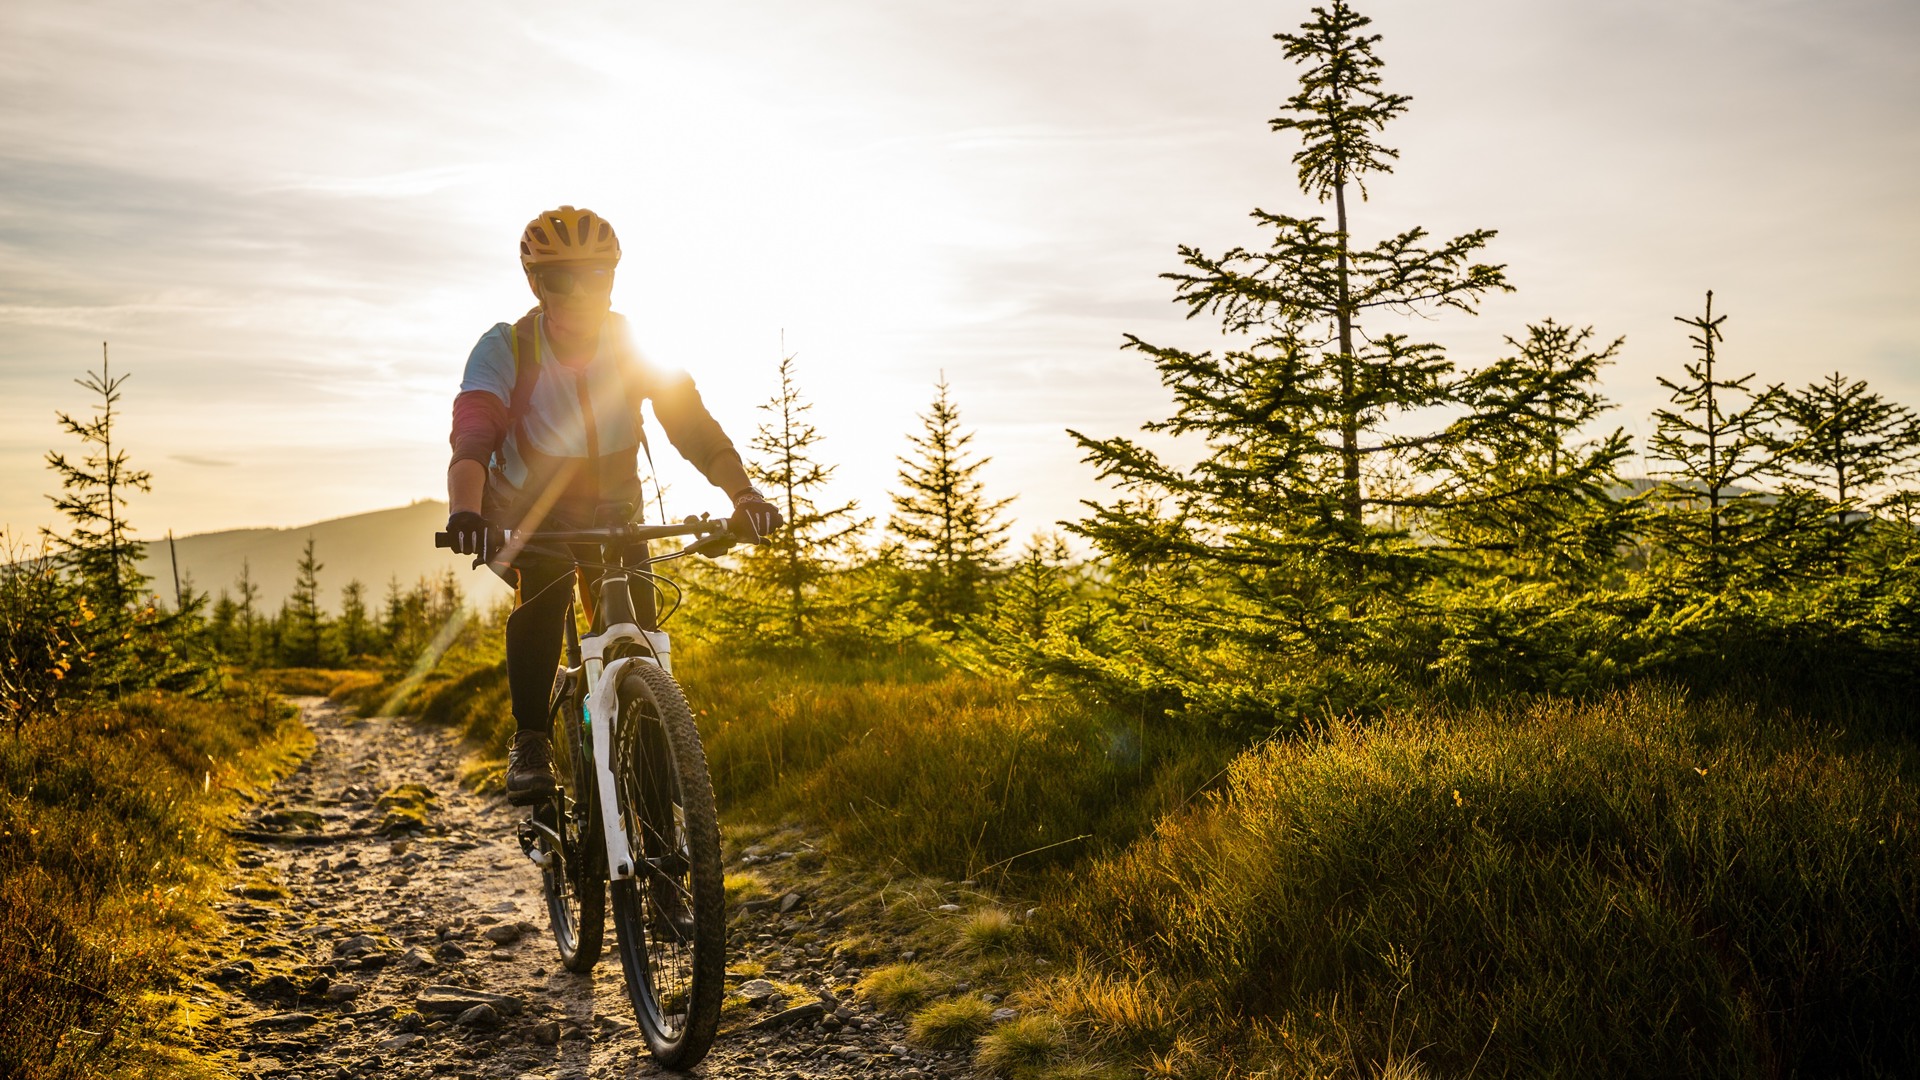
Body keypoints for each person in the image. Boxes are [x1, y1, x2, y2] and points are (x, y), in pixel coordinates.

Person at [443, 205, 781, 803]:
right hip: (531, 507)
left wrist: (743, 493)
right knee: (544, 588)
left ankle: (656, 800)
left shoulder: (634, 344)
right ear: (535, 285)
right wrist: (465, 513)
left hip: (614, 506)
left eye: (596, 276)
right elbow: (474, 433)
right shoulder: (507, 348)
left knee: (641, 633)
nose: (580, 293)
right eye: (560, 279)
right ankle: (531, 741)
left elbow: (692, 426)